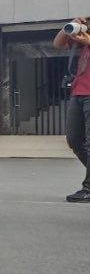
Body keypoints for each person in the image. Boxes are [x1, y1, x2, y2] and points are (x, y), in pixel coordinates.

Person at [55, 17, 90, 202]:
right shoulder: (82, 36)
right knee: (75, 140)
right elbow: (58, 43)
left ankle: (88, 188)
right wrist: (69, 26)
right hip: (78, 93)